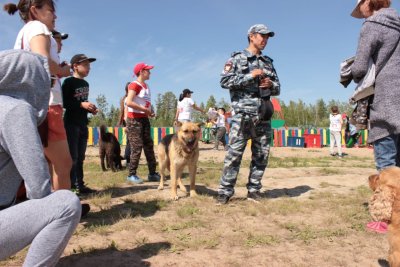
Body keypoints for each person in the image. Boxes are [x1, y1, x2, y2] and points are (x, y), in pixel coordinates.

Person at [0, 49, 81, 267]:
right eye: (46, 78)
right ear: (28, 78)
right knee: (66, 204)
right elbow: (38, 188)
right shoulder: (14, 111)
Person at [4, 0, 72, 191]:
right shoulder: (37, 27)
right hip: (47, 105)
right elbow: (40, 59)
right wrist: (62, 70)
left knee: (45, 165)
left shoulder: (26, 31)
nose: (55, 16)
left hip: (33, 104)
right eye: (51, 11)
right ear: (35, 10)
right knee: (63, 164)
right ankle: (63, 213)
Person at [217, 24, 280, 204]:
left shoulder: (268, 62)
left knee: (261, 155)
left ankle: (254, 190)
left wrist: (270, 85)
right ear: (251, 36)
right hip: (242, 115)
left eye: (267, 37)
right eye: (262, 36)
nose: (265, 40)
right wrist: (250, 76)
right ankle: (225, 191)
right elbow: (224, 80)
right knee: (234, 154)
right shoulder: (237, 59)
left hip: (263, 115)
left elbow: (278, 88)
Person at [351, 0, 400, 171]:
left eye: (359, 6)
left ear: (368, 2)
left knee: (387, 171)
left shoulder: (372, 25)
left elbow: (359, 68)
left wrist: (349, 71)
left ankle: (387, 199)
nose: (360, 11)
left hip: (385, 104)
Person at [62, 54, 98, 194]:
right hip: (71, 124)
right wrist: (81, 104)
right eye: (86, 65)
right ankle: (70, 188)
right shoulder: (68, 82)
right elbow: (65, 103)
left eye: (89, 65)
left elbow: (81, 104)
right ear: (75, 66)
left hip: (83, 124)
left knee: (81, 157)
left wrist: (90, 109)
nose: (89, 68)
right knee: (73, 157)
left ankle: (80, 185)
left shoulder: (85, 84)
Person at [125, 62, 160, 184]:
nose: (150, 72)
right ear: (141, 72)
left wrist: (150, 112)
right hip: (134, 120)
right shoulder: (134, 85)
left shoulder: (146, 86)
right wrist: (144, 110)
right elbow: (129, 102)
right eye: (148, 70)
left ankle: (152, 173)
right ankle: (131, 174)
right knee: (137, 147)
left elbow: (145, 103)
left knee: (149, 145)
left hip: (144, 119)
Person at [118, 82, 131, 165]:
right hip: (128, 121)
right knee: (130, 142)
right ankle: (127, 159)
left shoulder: (124, 98)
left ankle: (127, 159)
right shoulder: (127, 99)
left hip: (126, 121)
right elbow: (125, 112)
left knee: (129, 141)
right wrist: (126, 125)